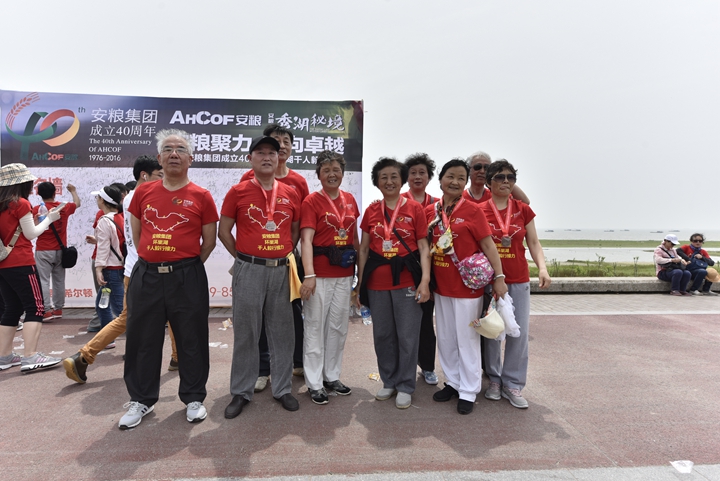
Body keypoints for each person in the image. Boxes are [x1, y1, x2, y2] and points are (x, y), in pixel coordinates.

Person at [120, 129, 218, 429]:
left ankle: (193, 398)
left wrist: (184, 265)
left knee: (192, 338)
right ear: (159, 158)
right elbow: (138, 235)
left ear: (191, 159)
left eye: (180, 149)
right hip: (147, 275)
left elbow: (209, 242)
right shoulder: (143, 193)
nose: (174, 154)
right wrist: (156, 260)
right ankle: (142, 399)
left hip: (187, 276)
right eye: (168, 149)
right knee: (142, 339)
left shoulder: (202, 196)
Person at [63, 156, 172, 384]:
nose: (163, 179)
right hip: (150, 268)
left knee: (127, 317)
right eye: (159, 175)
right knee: (173, 314)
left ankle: (84, 356)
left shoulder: (129, 198)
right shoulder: (147, 198)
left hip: (132, 269)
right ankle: (177, 359)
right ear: (144, 175)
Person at [219, 135, 301, 418]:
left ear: (279, 158)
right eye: (261, 152)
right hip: (249, 270)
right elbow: (223, 231)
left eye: (272, 153)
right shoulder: (238, 192)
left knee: (283, 332)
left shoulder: (290, 193)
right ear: (250, 159)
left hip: (281, 270)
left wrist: (283, 253)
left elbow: (294, 231)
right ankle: (241, 391)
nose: (267, 157)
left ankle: (282, 388)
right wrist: (244, 258)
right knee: (247, 332)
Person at [425, 159, 507, 415]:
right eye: (450, 176)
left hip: (467, 287)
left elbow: (488, 245)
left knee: (467, 339)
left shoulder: (473, 211)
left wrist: (499, 276)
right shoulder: (431, 211)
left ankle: (469, 390)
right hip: (441, 287)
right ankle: (453, 382)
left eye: (461, 178)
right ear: (440, 179)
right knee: (446, 338)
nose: (455, 182)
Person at [357, 157, 431, 410]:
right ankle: (388, 381)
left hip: (407, 281)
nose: (389, 181)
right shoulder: (371, 211)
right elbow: (364, 249)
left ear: (402, 180)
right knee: (383, 335)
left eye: (394, 177)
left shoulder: (415, 209)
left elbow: (423, 247)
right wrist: (360, 284)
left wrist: (425, 281)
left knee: (407, 336)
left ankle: (406, 385)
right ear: (377, 182)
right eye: (383, 177)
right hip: (377, 283)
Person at [240, 123, 309, 389]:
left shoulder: (298, 182)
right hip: (255, 260)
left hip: (287, 259)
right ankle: (262, 368)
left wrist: (289, 251)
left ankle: (297, 361)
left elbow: (300, 222)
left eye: (285, 142)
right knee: (258, 313)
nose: (280, 146)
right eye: (274, 141)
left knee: (292, 311)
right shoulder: (248, 178)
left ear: (289, 149)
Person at [481, 159, 551, 409]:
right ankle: (494, 379)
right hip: (489, 280)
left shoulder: (523, 210)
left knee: (517, 333)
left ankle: (513, 383)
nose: (506, 181)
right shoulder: (479, 210)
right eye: (499, 177)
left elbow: (533, 242)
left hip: (519, 279)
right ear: (488, 182)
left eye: (510, 177)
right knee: (492, 331)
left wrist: (542, 268)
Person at [299, 150, 360, 405]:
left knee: (338, 327)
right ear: (319, 175)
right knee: (315, 327)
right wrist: (309, 275)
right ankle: (314, 382)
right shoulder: (311, 201)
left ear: (343, 173)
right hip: (319, 275)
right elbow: (306, 240)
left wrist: (358, 275)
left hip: (344, 274)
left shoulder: (350, 199)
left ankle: (331, 376)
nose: (332, 174)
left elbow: (354, 239)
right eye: (326, 170)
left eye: (336, 170)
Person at [0, 164, 65, 372]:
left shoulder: (3, 204)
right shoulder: (20, 203)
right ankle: (30, 356)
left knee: (12, 308)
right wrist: (49, 219)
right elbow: (31, 234)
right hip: (21, 261)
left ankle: (4, 356)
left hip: (3, 262)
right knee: (35, 307)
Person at [401, 153, 439, 386]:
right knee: (403, 322)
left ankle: (427, 366)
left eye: (422, 172)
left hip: (432, 270)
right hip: (404, 269)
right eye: (412, 172)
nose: (417, 176)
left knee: (425, 321)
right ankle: (401, 367)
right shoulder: (397, 201)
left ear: (429, 176)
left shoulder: (438, 204)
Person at [32, 181, 81, 320]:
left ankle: (46, 311)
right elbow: (77, 203)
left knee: (43, 280)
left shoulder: (36, 210)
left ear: (39, 194)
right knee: (59, 280)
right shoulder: (63, 207)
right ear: (55, 193)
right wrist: (73, 191)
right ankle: (58, 309)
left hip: (43, 250)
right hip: (60, 250)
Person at [90, 185, 125, 330]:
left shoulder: (104, 221)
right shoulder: (121, 217)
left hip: (110, 269)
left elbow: (103, 248)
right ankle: (107, 337)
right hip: (118, 267)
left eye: (98, 197)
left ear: (103, 201)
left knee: (119, 309)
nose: (97, 200)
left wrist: (99, 269)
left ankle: (140, 337)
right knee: (102, 306)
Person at [463, 151, 530, 204]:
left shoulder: (496, 194)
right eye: (477, 167)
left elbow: (525, 202)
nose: (482, 171)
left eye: (486, 168)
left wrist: (504, 177)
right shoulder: (461, 197)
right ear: (468, 170)